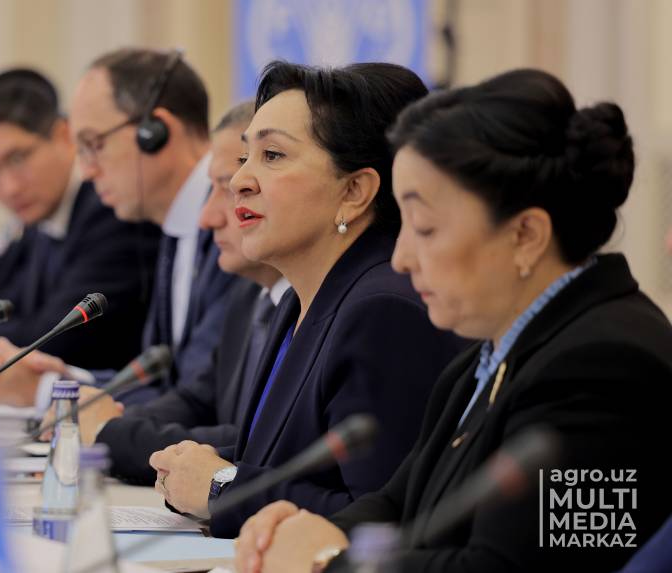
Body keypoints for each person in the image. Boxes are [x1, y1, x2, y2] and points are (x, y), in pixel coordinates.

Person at [233, 69, 672, 573]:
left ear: (526, 235)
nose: (401, 259)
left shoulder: (605, 369)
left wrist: (331, 559)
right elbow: (398, 504)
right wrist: (303, 529)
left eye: (425, 228)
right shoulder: (484, 360)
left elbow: (511, 568)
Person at [149, 62, 467, 539]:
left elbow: (380, 520)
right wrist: (200, 468)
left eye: (273, 155)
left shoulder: (383, 312)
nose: (240, 181)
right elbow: (288, 465)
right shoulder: (299, 302)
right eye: (245, 157)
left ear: (355, 191)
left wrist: (221, 487)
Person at [0, 48, 240, 406]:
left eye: (95, 145)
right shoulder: (173, 228)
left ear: (155, 133)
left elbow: (201, 403)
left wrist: (47, 392)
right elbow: (166, 382)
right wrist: (66, 381)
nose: (87, 171)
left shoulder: (230, 226)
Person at [76, 101, 287, 484]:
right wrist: (101, 419)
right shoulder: (249, 297)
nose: (206, 218)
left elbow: (259, 444)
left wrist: (110, 434)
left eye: (230, 189)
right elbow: (196, 398)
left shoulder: (332, 307)